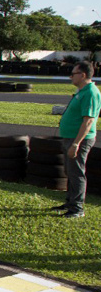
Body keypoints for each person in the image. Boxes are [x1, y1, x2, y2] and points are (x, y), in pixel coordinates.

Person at [52, 61, 99, 218]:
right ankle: (70, 202)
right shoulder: (82, 91)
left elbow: (88, 121)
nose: (70, 77)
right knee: (69, 171)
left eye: (73, 74)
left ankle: (77, 208)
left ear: (83, 75)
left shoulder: (91, 93)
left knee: (77, 173)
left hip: (78, 140)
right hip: (69, 137)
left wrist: (76, 144)